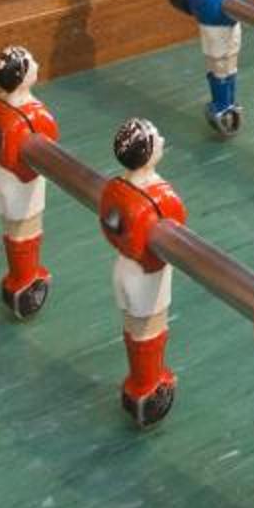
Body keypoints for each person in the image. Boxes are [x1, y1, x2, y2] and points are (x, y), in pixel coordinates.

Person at [98, 117, 186, 427]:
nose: (161, 140)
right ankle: (148, 385)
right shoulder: (158, 194)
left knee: (133, 330)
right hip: (148, 276)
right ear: (147, 153)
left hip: (123, 267)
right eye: (156, 137)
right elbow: (178, 216)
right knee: (150, 331)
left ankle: (137, 379)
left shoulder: (116, 187)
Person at [0, 45, 60, 318]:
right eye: (30, 62)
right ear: (22, 76)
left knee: (13, 233)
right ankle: (25, 279)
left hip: (2, 178)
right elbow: (51, 135)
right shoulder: (33, 113)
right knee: (26, 234)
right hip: (22, 184)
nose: (36, 64)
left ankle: (18, 275)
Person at [171, 0, 250, 135]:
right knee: (213, 66)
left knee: (225, 66)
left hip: (224, 32)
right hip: (208, 30)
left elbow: (239, 1)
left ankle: (226, 105)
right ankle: (220, 103)